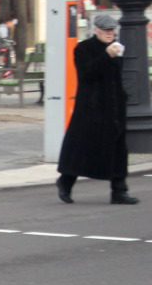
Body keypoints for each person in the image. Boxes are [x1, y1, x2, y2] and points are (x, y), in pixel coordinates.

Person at [56, 13, 139, 205]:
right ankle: (65, 182)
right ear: (96, 30)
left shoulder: (117, 48)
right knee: (82, 147)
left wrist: (122, 97)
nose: (110, 34)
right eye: (106, 31)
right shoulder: (83, 48)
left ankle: (119, 191)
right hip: (90, 108)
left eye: (112, 30)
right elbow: (87, 74)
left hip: (114, 106)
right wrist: (106, 56)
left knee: (118, 149)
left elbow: (116, 77)